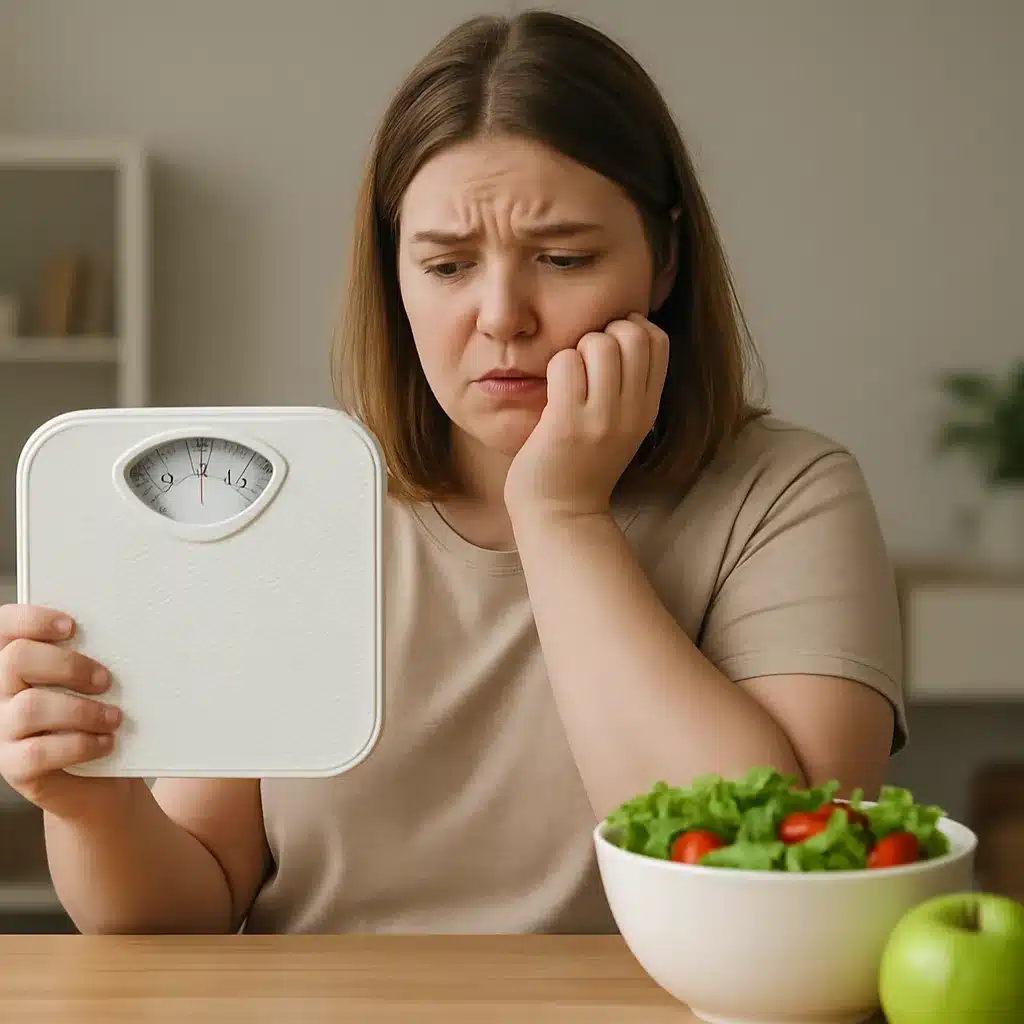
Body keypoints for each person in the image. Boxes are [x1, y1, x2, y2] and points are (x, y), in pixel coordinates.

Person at [0, 10, 905, 936]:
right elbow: (188, 912)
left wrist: (562, 517)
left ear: (662, 258)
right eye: (446, 265)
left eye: (564, 258)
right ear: (394, 275)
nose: (502, 314)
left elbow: (782, 886)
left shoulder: (790, 493)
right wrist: (90, 803)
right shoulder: (296, 500)